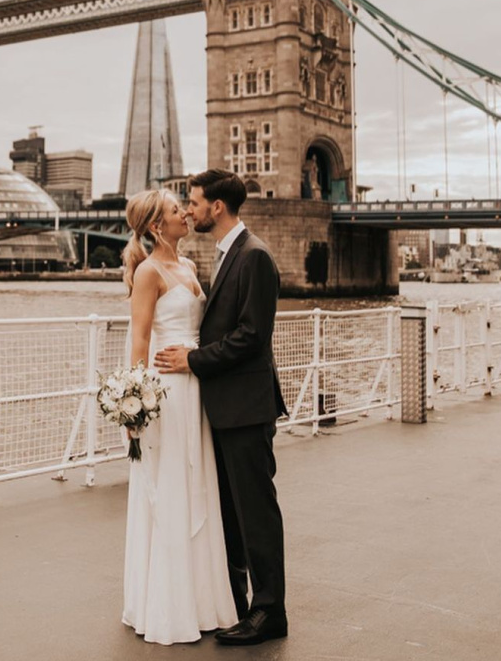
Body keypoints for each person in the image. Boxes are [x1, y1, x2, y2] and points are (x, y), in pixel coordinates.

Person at [155, 169, 288, 647]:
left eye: (193, 202)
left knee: (256, 513)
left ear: (216, 207)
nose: (189, 210)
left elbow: (251, 336)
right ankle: (239, 604)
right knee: (232, 514)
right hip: (227, 406)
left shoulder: (254, 256)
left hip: (247, 407)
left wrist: (192, 360)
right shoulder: (228, 253)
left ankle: (270, 612)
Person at [121, 188, 237, 645]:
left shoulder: (187, 266)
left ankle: (202, 601)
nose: (185, 214)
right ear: (156, 226)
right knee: (170, 486)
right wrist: (135, 400)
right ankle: (169, 607)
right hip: (167, 391)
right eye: (175, 211)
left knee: (197, 485)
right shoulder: (148, 272)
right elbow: (139, 339)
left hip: (196, 387)